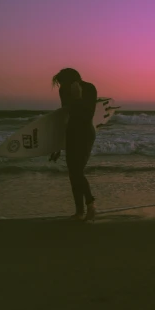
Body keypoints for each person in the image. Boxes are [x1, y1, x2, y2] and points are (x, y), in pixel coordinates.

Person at [52, 68, 98, 221]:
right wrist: (57, 144)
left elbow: (87, 114)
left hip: (85, 133)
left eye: (62, 82)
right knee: (73, 173)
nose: (61, 86)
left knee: (77, 171)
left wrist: (77, 97)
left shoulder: (90, 88)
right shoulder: (64, 90)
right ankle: (80, 212)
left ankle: (90, 205)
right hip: (71, 133)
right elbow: (66, 116)